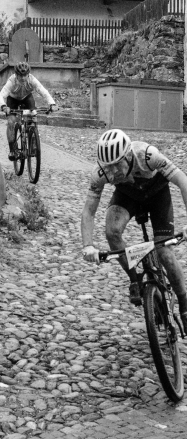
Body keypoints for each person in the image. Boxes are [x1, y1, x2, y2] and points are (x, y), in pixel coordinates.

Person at [81, 128, 187, 331]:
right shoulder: (100, 173)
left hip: (157, 194)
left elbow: (183, 181)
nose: (112, 172)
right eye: (107, 167)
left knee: (164, 252)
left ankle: (184, 301)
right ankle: (135, 279)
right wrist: (88, 246)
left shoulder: (148, 156)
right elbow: (88, 211)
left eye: (116, 164)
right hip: (127, 196)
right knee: (112, 232)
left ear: (128, 154)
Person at [0, 61, 56, 160]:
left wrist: (52, 103)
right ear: (16, 74)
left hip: (27, 97)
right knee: (11, 122)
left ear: (28, 74)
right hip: (12, 99)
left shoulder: (32, 80)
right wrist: (4, 106)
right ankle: (12, 149)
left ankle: (32, 141)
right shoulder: (11, 81)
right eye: (21, 75)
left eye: (25, 75)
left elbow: (43, 92)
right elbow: (1, 96)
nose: (23, 78)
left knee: (33, 115)